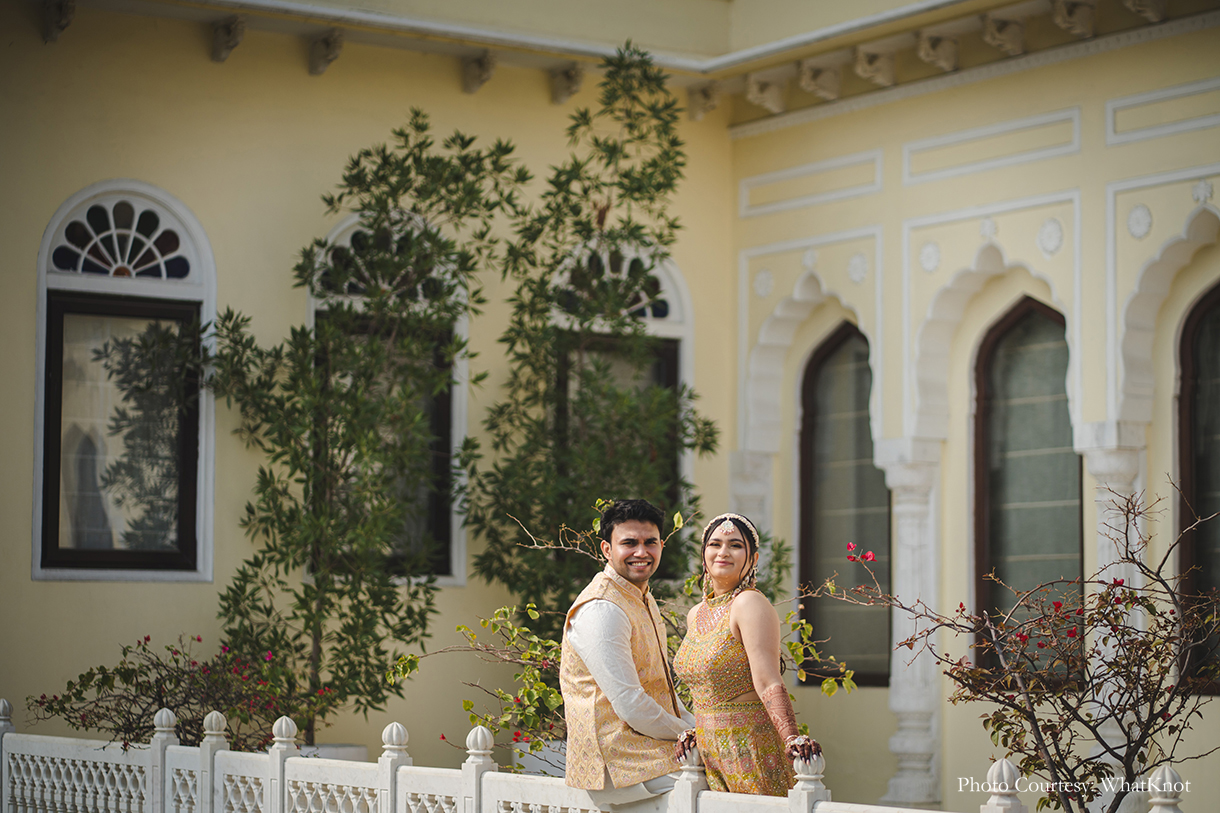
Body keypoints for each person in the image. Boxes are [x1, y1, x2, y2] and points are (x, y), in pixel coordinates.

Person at [560, 499, 695, 807]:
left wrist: (700, 729)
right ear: (607, 550)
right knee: (715, 782)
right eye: (629, 543)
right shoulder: (602, 608)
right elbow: (631, 705)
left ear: (661, 546)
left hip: (649, 749)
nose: (641, 552)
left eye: (650, 542)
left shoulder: (641, 598)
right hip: (614, 762)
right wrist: (692, 732)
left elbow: (663, 692)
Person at [673, 512, 820, 796]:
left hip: (749, 746)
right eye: (715, 544)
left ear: (752, 559)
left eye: (735, 545)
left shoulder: (749, 603)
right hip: (709, 753)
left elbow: (767, 679)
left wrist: (792, 738)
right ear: (703, 555)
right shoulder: (696, 614)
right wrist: (693, 730)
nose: (723, 552)